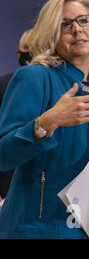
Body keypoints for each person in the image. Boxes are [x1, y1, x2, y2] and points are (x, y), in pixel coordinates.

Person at [0, 0, 89, 238]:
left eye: (84, 20)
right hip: (40, 226)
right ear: (51, 35)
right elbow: (3, 155)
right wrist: (48, 122)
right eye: (65, 24)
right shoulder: (33, 78)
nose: (77, 29)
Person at [0, 29, 32, 202]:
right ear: (18, 53)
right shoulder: (3, 85)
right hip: (7, 183)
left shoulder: (60, 89)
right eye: (26, 48)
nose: (30, 53)